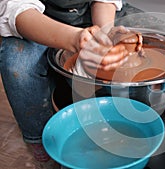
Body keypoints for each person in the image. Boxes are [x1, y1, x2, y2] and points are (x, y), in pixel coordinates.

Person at [0, 0, 142, 165]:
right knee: (18, 66)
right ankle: (40, 139)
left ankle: (135, 125)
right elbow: (16, 7)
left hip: (91, 13)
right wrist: (76, 40)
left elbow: (104, 2)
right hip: (37, 19)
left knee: (163, 32)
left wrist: (105, 35)